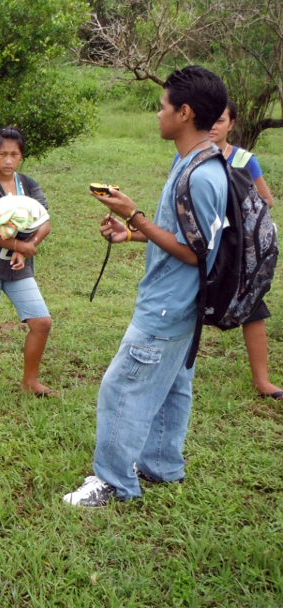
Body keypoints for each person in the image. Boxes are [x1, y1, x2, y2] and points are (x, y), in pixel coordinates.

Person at [64, 65, 229, 508]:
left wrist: (135, 214)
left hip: (167, 306)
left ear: (186, 112)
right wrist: (132, 233)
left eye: (163, 107)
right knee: (173, 385)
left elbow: (197, 253)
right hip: (183, 306)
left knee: (121, 388)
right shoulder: (197, 161)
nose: (158, 115)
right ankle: (161, 464)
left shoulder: (200, 176)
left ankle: (115, 482)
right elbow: (185, 236)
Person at [0, 126, 56, 398]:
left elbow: (45, 222)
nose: (7, 160)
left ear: (21, 157)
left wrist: (29, 247)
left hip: (19, 267)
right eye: (2, 154)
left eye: (14, 154)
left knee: (42, 322)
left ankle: (30, 381)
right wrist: (19, 245)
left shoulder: (29, 185)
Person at [208, 100, 281, 400]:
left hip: (238, 250)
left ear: (232, 125)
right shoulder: (187, 157)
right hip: (205, 245)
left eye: (221, 120)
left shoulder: (244, 160)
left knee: (253, 310)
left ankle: (262, 381)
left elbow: (267, 201)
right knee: (188, 306)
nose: (214, 125)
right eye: (209, 119)